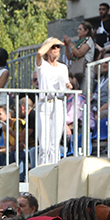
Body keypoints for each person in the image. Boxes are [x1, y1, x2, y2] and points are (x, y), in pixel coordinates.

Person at [34, 38, 70, 168]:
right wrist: (51, 42)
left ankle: (54, 171)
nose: (56, 49)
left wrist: (68, 85)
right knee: (44, 144)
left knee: (55, 143)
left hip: (58, 103)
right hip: (44, 103)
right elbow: (39, 54)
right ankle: (41, 172)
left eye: (58, 47)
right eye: (53, 47)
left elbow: (65, 84)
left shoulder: (63, 67)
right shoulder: (42, 65)